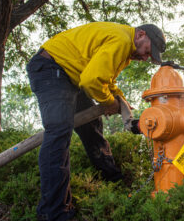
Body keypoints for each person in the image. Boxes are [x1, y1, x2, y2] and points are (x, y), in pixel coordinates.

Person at [26, 22, 166, 221]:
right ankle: (54, 213)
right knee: (58, 134)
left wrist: (120, 99)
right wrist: (109, 103)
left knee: (91, 127)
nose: (144, 58)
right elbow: (91, 81)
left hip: (70, 74)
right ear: (141, 34)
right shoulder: (121, 40)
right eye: (147, 51)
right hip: (52, 68)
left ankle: (113, 180)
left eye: (148, 57)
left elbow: (106, 81)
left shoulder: (125, 50)